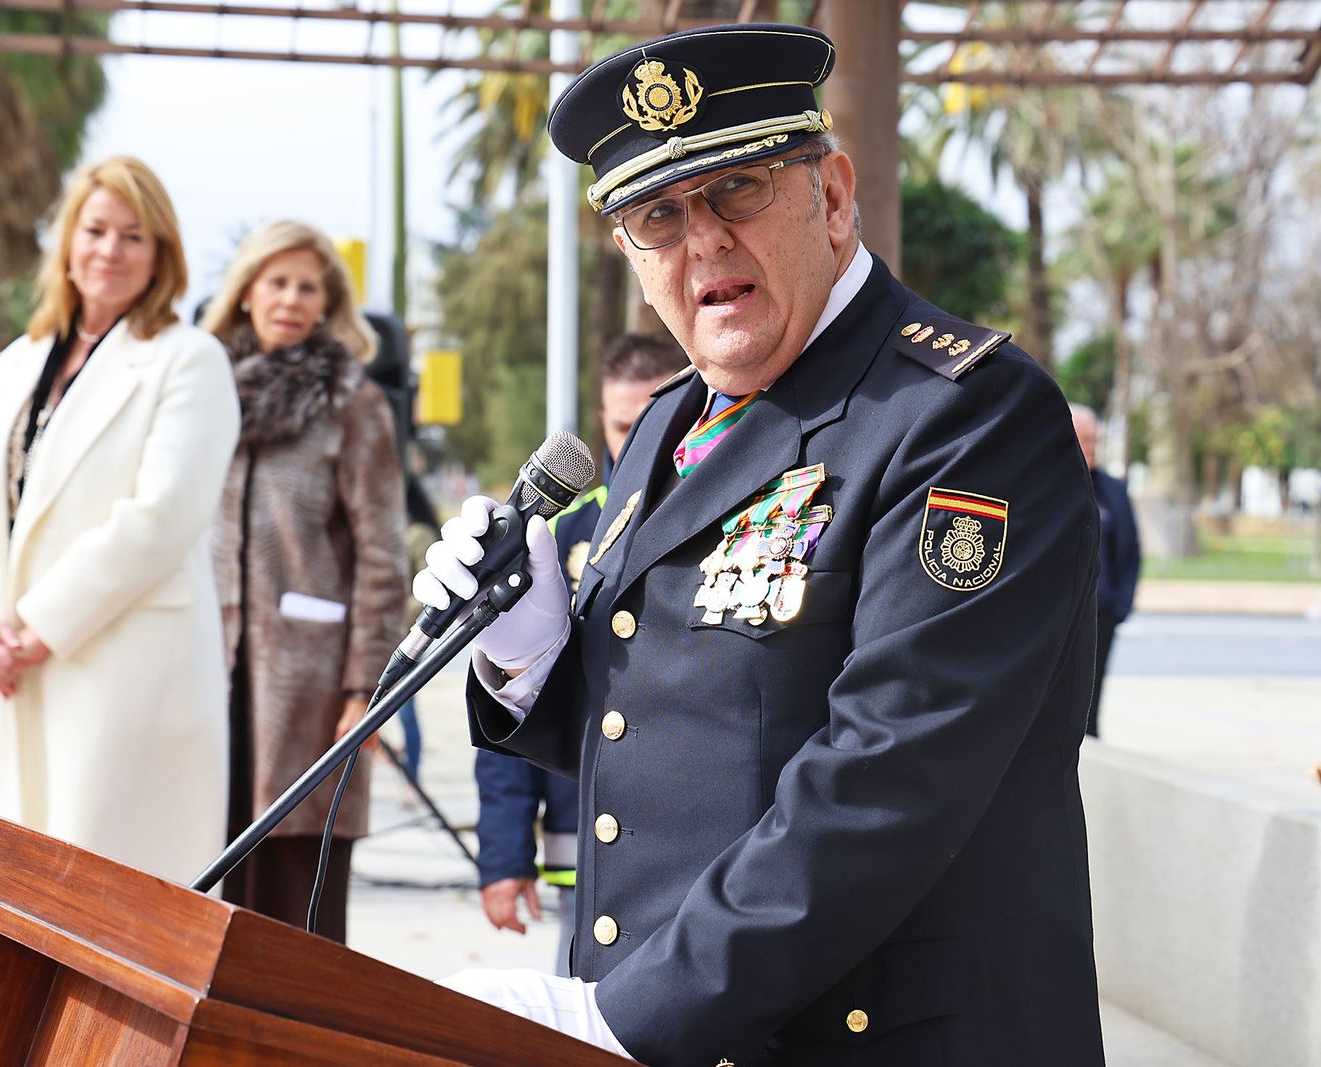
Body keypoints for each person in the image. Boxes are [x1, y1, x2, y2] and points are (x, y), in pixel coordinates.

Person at [418, 23, 1104, 1065]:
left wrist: (630, 1013)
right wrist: (526, 659)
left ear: (831, 195)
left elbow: (891, 771)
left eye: (736, 191)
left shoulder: (965, 417)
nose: (701, 242)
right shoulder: (664, 425)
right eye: (657, 216)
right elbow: (672, 731)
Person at [0, 156, 239, 884]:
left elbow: (163, 514)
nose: (110, 250)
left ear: (161, 254)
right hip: (6, 666)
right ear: (68, 243)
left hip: (119, 668)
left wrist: (38, 630)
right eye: (96, 230)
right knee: (1, 894)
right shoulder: (18, 360)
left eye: (134, 235)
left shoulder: (188, 360)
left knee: (107, 894)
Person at [200, 221, 408, 942]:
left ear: (326, 304)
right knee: (205, 890)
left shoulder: (353, 402)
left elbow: (385, 555)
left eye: (307, 286)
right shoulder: (202, 392)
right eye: (276, 281)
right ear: (247, 291)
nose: (290, 298)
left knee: (297, 914)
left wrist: (365, 691)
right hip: (205, 673)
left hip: (309, 686)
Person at [475, 334, 688, 973]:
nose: (632, 443)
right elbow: (513, 697)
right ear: (601, 419)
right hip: (581, 834)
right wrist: (505, 856)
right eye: (622, 425)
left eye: (649, 422)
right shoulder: (562, 529)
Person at [1071, 403, 1141, 738]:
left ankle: (1092, 746)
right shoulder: (1049, 485)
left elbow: (1130, 552)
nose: (1090, 448)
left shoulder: (1113, 491)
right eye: (1083, 439)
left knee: (1093, 690)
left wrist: (1120, 606)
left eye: (1094, 440)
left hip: (1102, 611)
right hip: (1060, 613)